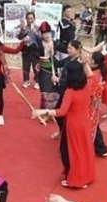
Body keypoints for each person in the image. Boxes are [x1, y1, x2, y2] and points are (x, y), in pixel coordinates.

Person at [33, 60, 95, 189]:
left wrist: (42, 111)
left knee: (70, 152)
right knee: (83, 150)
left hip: (73, 125)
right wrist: (85, 64)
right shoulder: (88, 85)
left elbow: (61, 112)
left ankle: (75, 178)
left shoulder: (70, 92)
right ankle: (85, 176)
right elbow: (92, 76)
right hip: (84, 121)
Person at [36, 21, 62, 113]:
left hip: (54, 69)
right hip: (43, 70)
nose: (47, 35)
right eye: (45, 34)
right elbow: (34, 56)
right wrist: (39, 60)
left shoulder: (55, 43)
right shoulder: (38, 44)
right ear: (42, 35)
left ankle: (51, 112)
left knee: (54, 92)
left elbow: (65, 49)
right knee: (45, 92)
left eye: (49, 33)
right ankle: (44, 112)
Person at [89, 52, 107, 157]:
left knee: (93, 125)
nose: (89, 60)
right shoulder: (100, 72)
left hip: (91, 103)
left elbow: (91, 89)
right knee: (94, 124)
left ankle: (100, 148)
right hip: (96, 102)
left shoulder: (95, 74)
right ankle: (100, 147)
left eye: (91, 59)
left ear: (95, 63)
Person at [17, 12, 40, 89]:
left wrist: (36, 33)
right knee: (25, 67)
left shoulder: (38, 28)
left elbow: (40, 38)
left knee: (36, 67)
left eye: (31, 18)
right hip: (26, 50)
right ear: (26, 19)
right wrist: (23, 30)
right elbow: (19, 37)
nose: (30, 20)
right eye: (28, 18)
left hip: (35, 50)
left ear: (34, 19)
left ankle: (37, 81)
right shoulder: (24, 27)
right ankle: (26, 80)